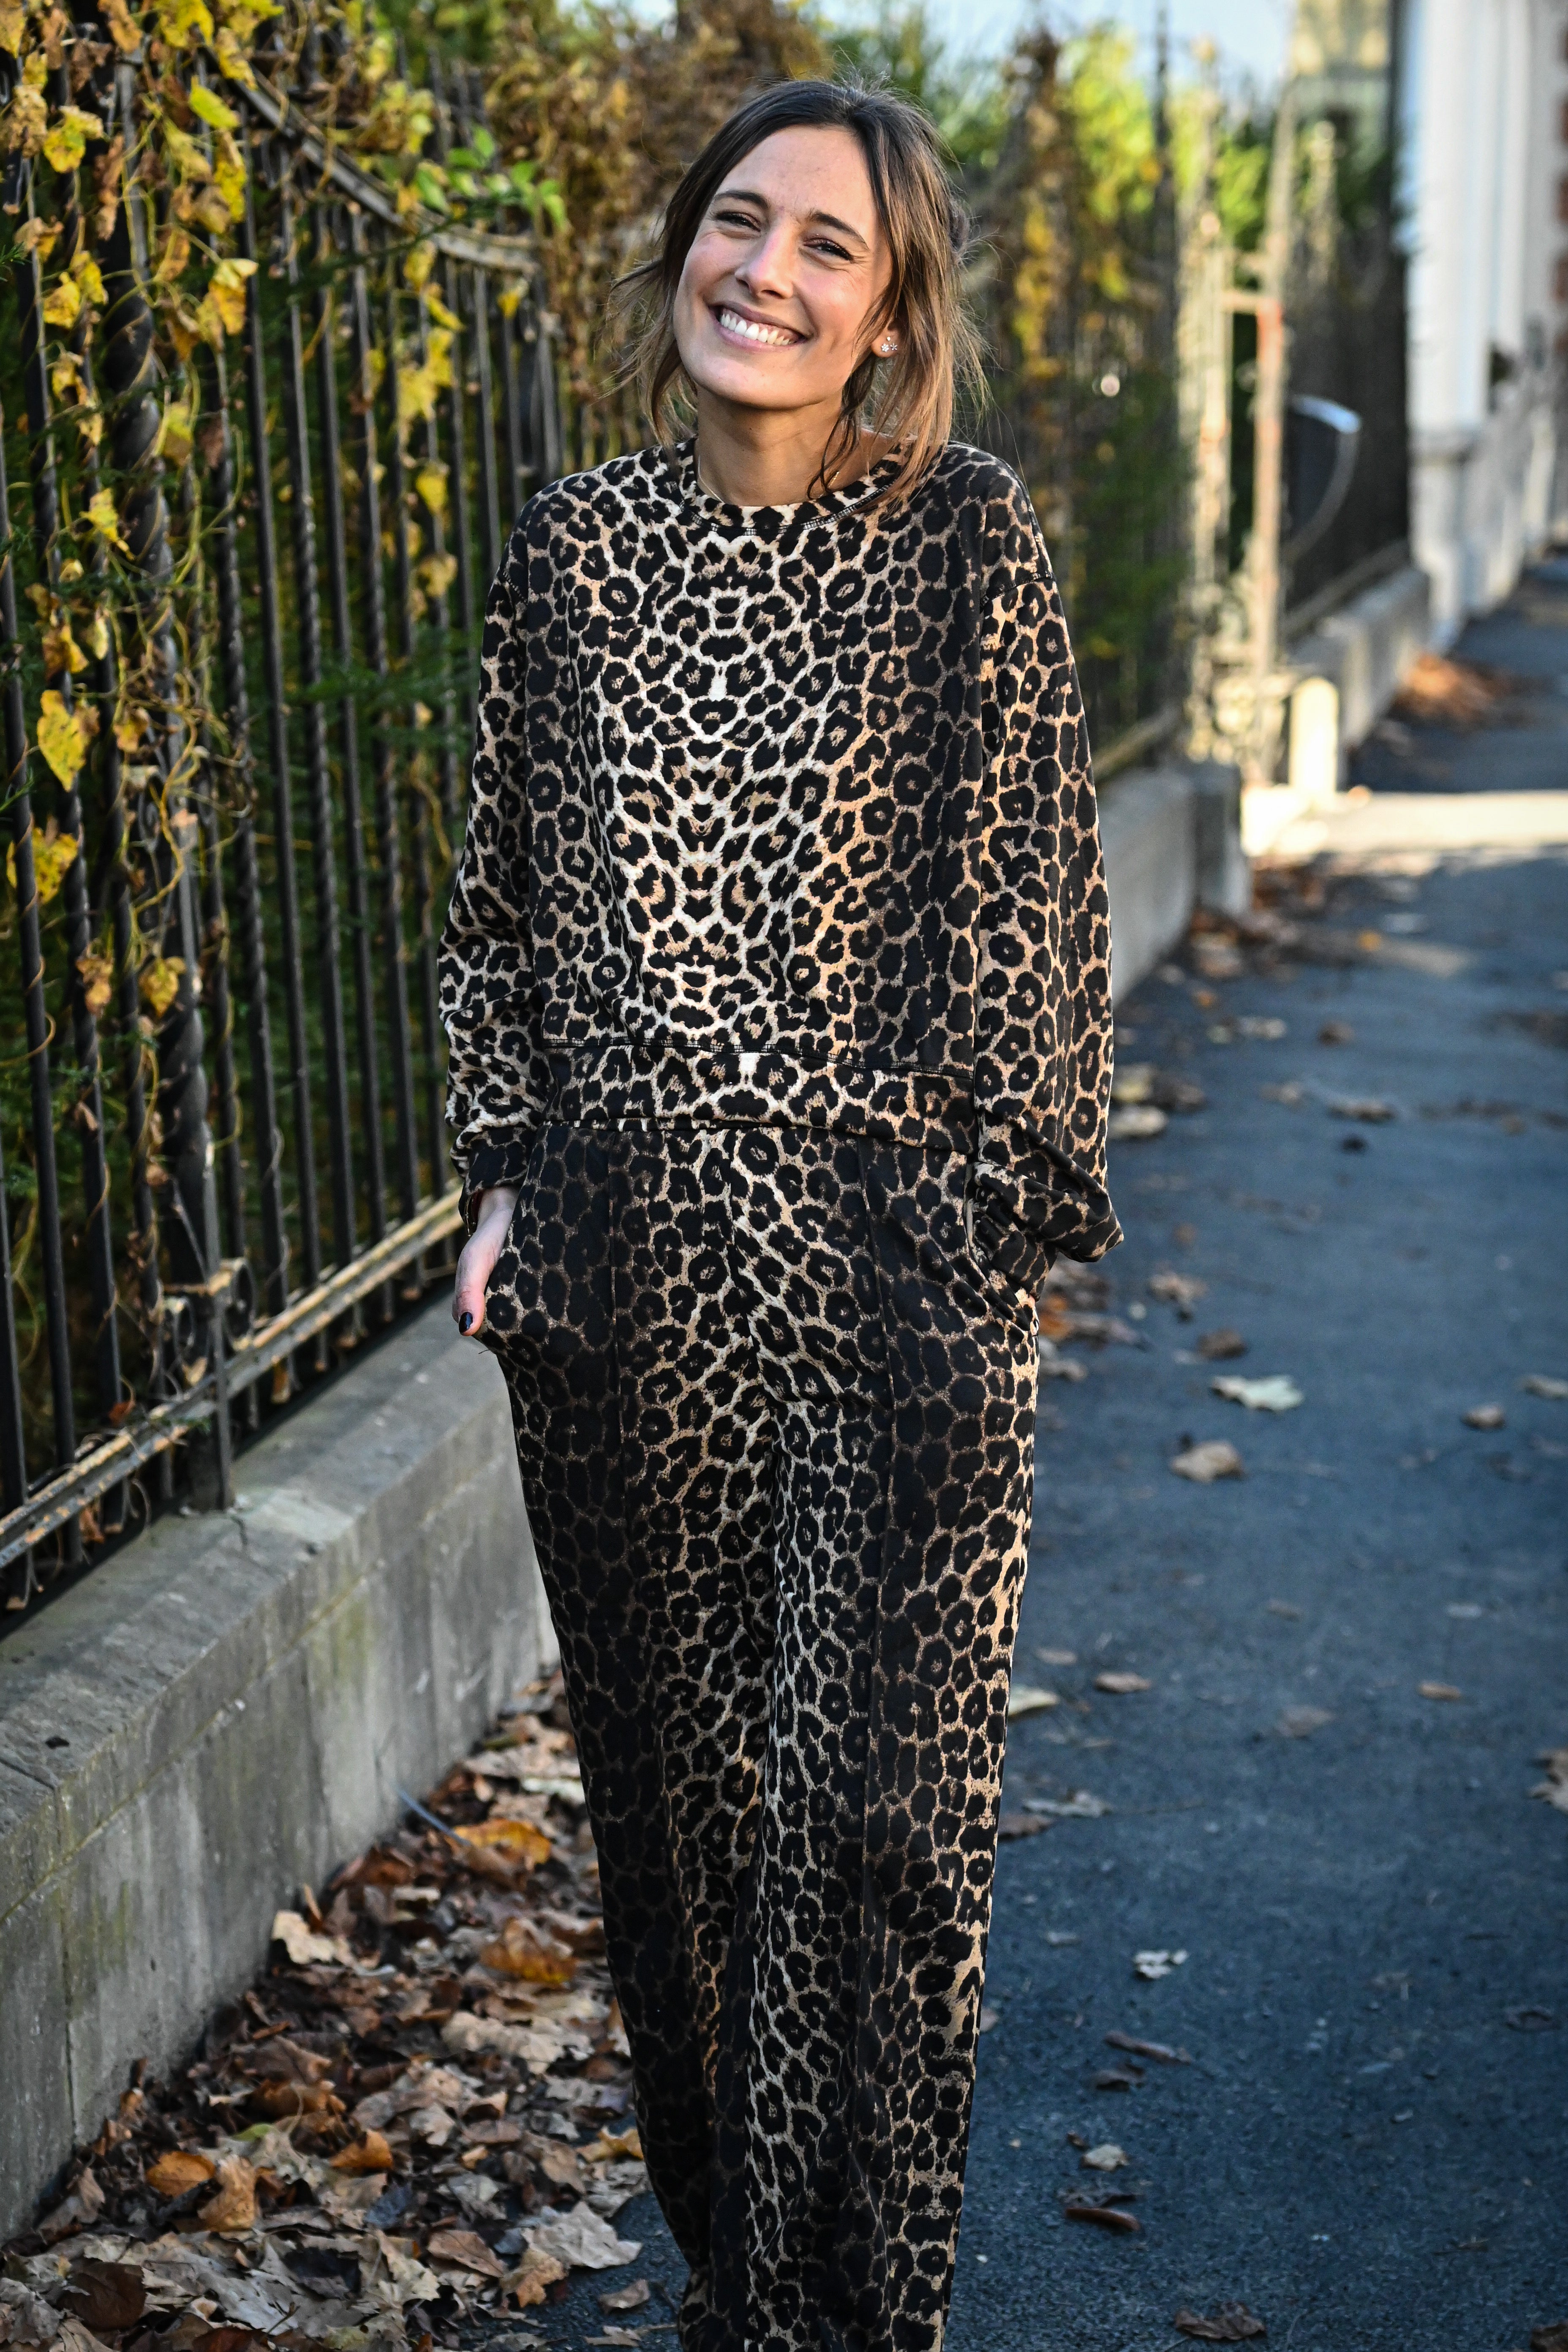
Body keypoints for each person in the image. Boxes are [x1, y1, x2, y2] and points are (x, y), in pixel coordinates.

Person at [438, 75, 1120, 2352]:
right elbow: (498, 916)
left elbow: (1040, 915)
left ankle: (865, 2311)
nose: (769, 271)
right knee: (687, 1842)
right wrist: (511, 1176)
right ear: (685, 254)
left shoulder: (970, 542)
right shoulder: (576, 551)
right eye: (742, 221)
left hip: (897, 1279)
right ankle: (752, 2286)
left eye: (831, 244)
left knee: (884, 1839)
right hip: (629, 1285)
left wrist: (979, 1225)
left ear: (891, 311)